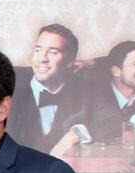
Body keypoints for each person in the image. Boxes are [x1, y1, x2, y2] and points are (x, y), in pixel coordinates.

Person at [7, 23, 89, 158]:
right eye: (38, 50)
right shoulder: (8, 88)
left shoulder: (84, 91)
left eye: (52, 52)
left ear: (69, 61)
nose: (42, 59)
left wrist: (74, 134)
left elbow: (108, 121)